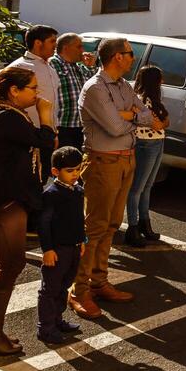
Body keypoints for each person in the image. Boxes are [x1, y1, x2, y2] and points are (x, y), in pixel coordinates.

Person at [0, 66, 56, 356]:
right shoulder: (8, 118)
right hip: (5, 203)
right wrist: (46, 117)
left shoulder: (3, 117)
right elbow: (45, 142)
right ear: (14, 91)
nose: (37, 94)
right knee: (11, 265)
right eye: (32, 88)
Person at [71, 37, 151, 319]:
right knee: (95, 227)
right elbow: (116, 127)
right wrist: (130, 116)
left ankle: (99, 281)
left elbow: (149, 115)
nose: (133, 58)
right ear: (118, 57)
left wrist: (127, 114)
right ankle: (79, 290)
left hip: (126, 159)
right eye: (130, 54)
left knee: (112, 225)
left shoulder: (124, 86)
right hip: (103, 162)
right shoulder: (94, 88)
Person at [36, 146, 88, 346]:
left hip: (74, 247)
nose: (75, 174)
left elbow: (78, 219)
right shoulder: (51, 194)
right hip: (57, 250)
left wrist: (82, 240)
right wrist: (47, 249)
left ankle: (57, 320)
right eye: (70, 171)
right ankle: (45, 328)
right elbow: (44, 223)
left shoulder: (78, 191)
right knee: (50, 289)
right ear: (55, 172)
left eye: (78, 169)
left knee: (64, 285)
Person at [5, 24, 59, 180]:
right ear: (38, 43)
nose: (55, 46)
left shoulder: (50, 68)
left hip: (46, 134)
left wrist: (54, 131)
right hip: (27, 137)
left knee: (43, 179)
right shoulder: (20, 68)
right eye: (52, 41)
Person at [125, 65, 170, 248]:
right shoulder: (141, 100)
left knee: (148, 186)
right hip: (145, 143)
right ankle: (133, 227)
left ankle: (145, 223)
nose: (163, 81)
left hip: (157, 142)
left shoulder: (154, 99)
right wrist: (160, 122)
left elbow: (165, 122)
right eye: (160, 78)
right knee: (137, 187)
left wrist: (161, 122)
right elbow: (159, 124)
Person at [48, 32, 93, 151]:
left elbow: (92, 87)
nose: (82, 50)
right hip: (61, 127)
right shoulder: (52, 63)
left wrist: (89, 67)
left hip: (80, 126)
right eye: (79, 46)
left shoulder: (78, 66)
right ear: (66, 48)